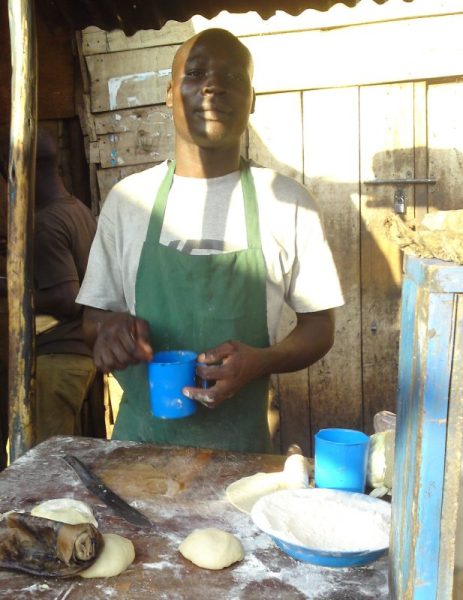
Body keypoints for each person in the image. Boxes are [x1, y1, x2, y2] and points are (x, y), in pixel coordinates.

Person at [77, 28, 344, 453]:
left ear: (252, 100)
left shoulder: (289, 203)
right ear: (169, 94)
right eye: (196, 73)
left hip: (240, 457)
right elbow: (93, 318)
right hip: (138, 452)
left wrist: (260, 361)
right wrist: (109, 331)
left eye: (233, 78)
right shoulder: (129, 202)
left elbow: (319, 327)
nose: (213, 86)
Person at [0, 128, 98, 445]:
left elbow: (68, 298)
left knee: (45, 464)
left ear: (16, 171)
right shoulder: (77, 210)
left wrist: (11, 292)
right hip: (77, 357)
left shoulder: (45, 223)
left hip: (58, 358)